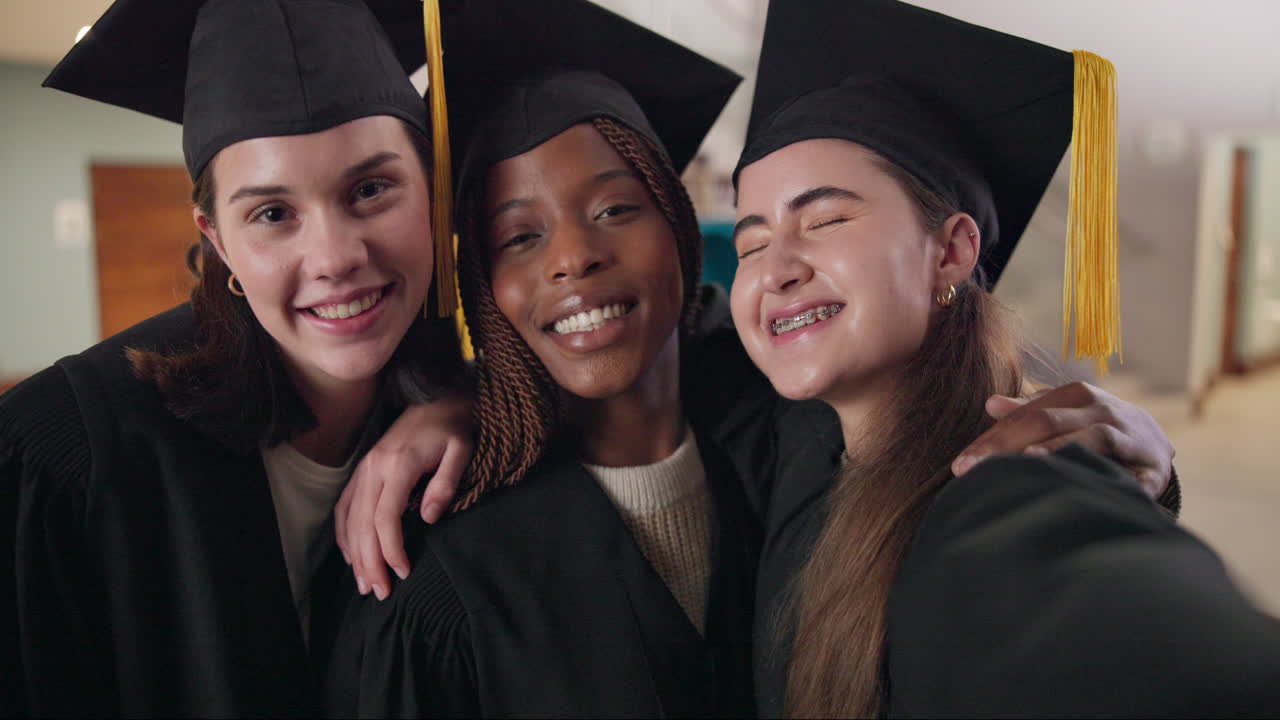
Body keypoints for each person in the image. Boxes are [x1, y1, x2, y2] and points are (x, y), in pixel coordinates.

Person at [729, 0, 1272, 716]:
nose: (777, 269)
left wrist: (1114, 487)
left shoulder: (1000, 485)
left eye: (826, 219)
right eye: (750, 244)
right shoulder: (802, 442)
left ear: (950, 251)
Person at [0, 0, 465, 715]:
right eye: (272, 214)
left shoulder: (464, 393)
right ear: (217, 241)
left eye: (371, 190)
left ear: (433, 192)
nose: (336, 258)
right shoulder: (69, 456)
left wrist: (470, 405)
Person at [321, 1, 759, 716]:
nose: (573, 258)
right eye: (518, 237)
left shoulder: (784, 448)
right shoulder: (445, 575)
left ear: (678, 222)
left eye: (616, 209)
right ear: (480, 286)